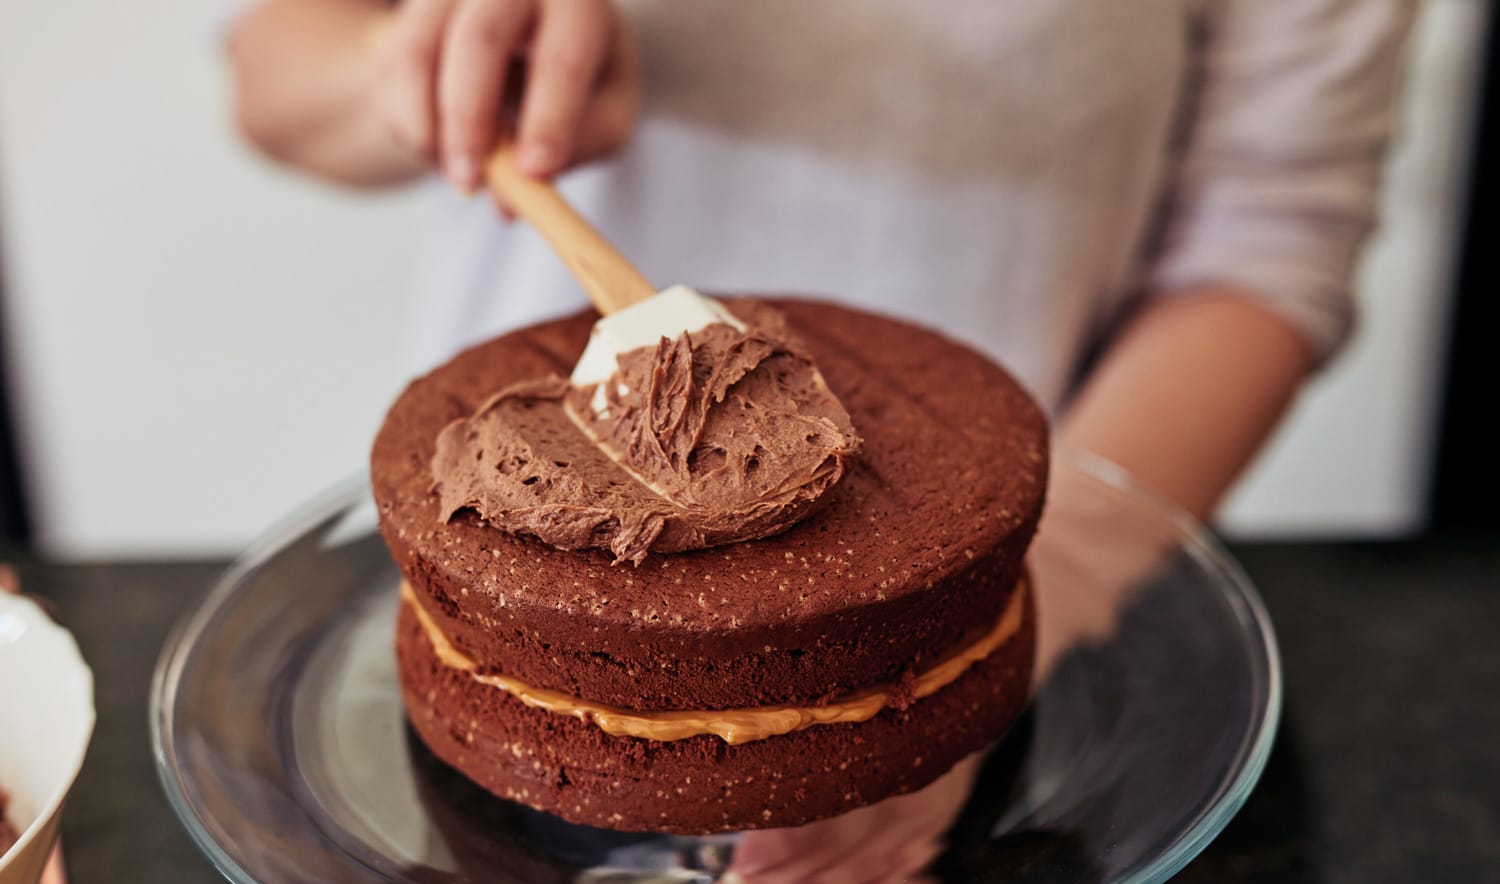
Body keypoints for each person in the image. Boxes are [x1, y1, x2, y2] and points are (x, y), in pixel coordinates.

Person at [224, 0, 1413, 524]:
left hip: (1028, 569)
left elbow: (1272, 226)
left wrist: (1037, 605)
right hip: (521, 530)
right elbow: (271, 63)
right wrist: (419, 67)